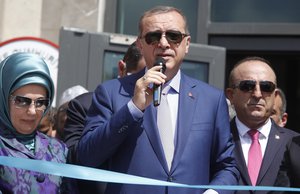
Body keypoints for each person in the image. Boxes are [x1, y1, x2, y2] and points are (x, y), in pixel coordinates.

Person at [77, 6, 239, 194]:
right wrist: (133, 109)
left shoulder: (211, 99)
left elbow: (228, 165)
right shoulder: (111, 92)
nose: (163, 43)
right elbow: (87, 157)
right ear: (140, 44)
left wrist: (214, 192)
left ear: (187, 44)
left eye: (173, 36)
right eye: (153, 36)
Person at [64, 40, 146, 194]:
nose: (143, 87)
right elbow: (74, 159)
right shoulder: (83, 105)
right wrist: (129, 112)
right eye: (138, 79)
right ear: (122, 68)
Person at [225, 56, 298, 194]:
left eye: (266, 87)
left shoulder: (294, 144)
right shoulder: (215, 140)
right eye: (247, 86)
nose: (258, 94)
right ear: (231, 95)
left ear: (275, 94)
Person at [0, 52, 68, 193]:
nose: (32, 111)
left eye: (40, 102)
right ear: (3, 99)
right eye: (22, 101)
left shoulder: (58, 149)